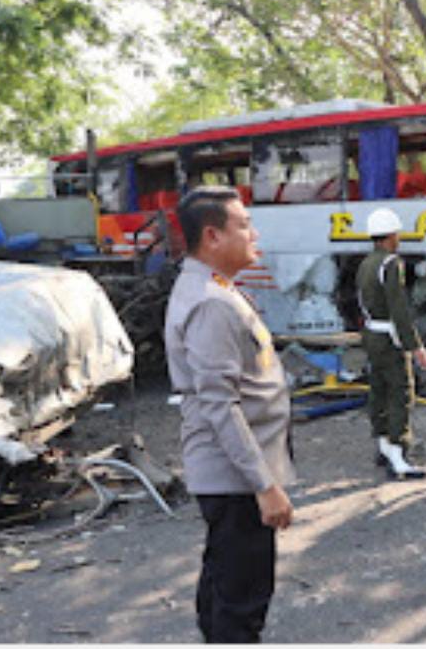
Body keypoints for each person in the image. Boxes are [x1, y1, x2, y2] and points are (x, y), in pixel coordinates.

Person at [164, 186, 295, 643]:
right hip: (236, 477)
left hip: (232, 473)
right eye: (244, 225)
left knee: (223, 587)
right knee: (243, 602)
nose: (254, 233)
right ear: (213, 236)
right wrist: (265, 486)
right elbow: (219, 403)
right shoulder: (212, 302)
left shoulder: (214, 288)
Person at [356, 207, 426, 479]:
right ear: (390, 235)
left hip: (371, 335)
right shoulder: (391, 264)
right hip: (389, 337)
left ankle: (383, 446)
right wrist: (416, 346)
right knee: (401, 391)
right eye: (397, 233)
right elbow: (399, 309)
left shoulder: (366, 263)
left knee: (378, 390)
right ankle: (399, 457)